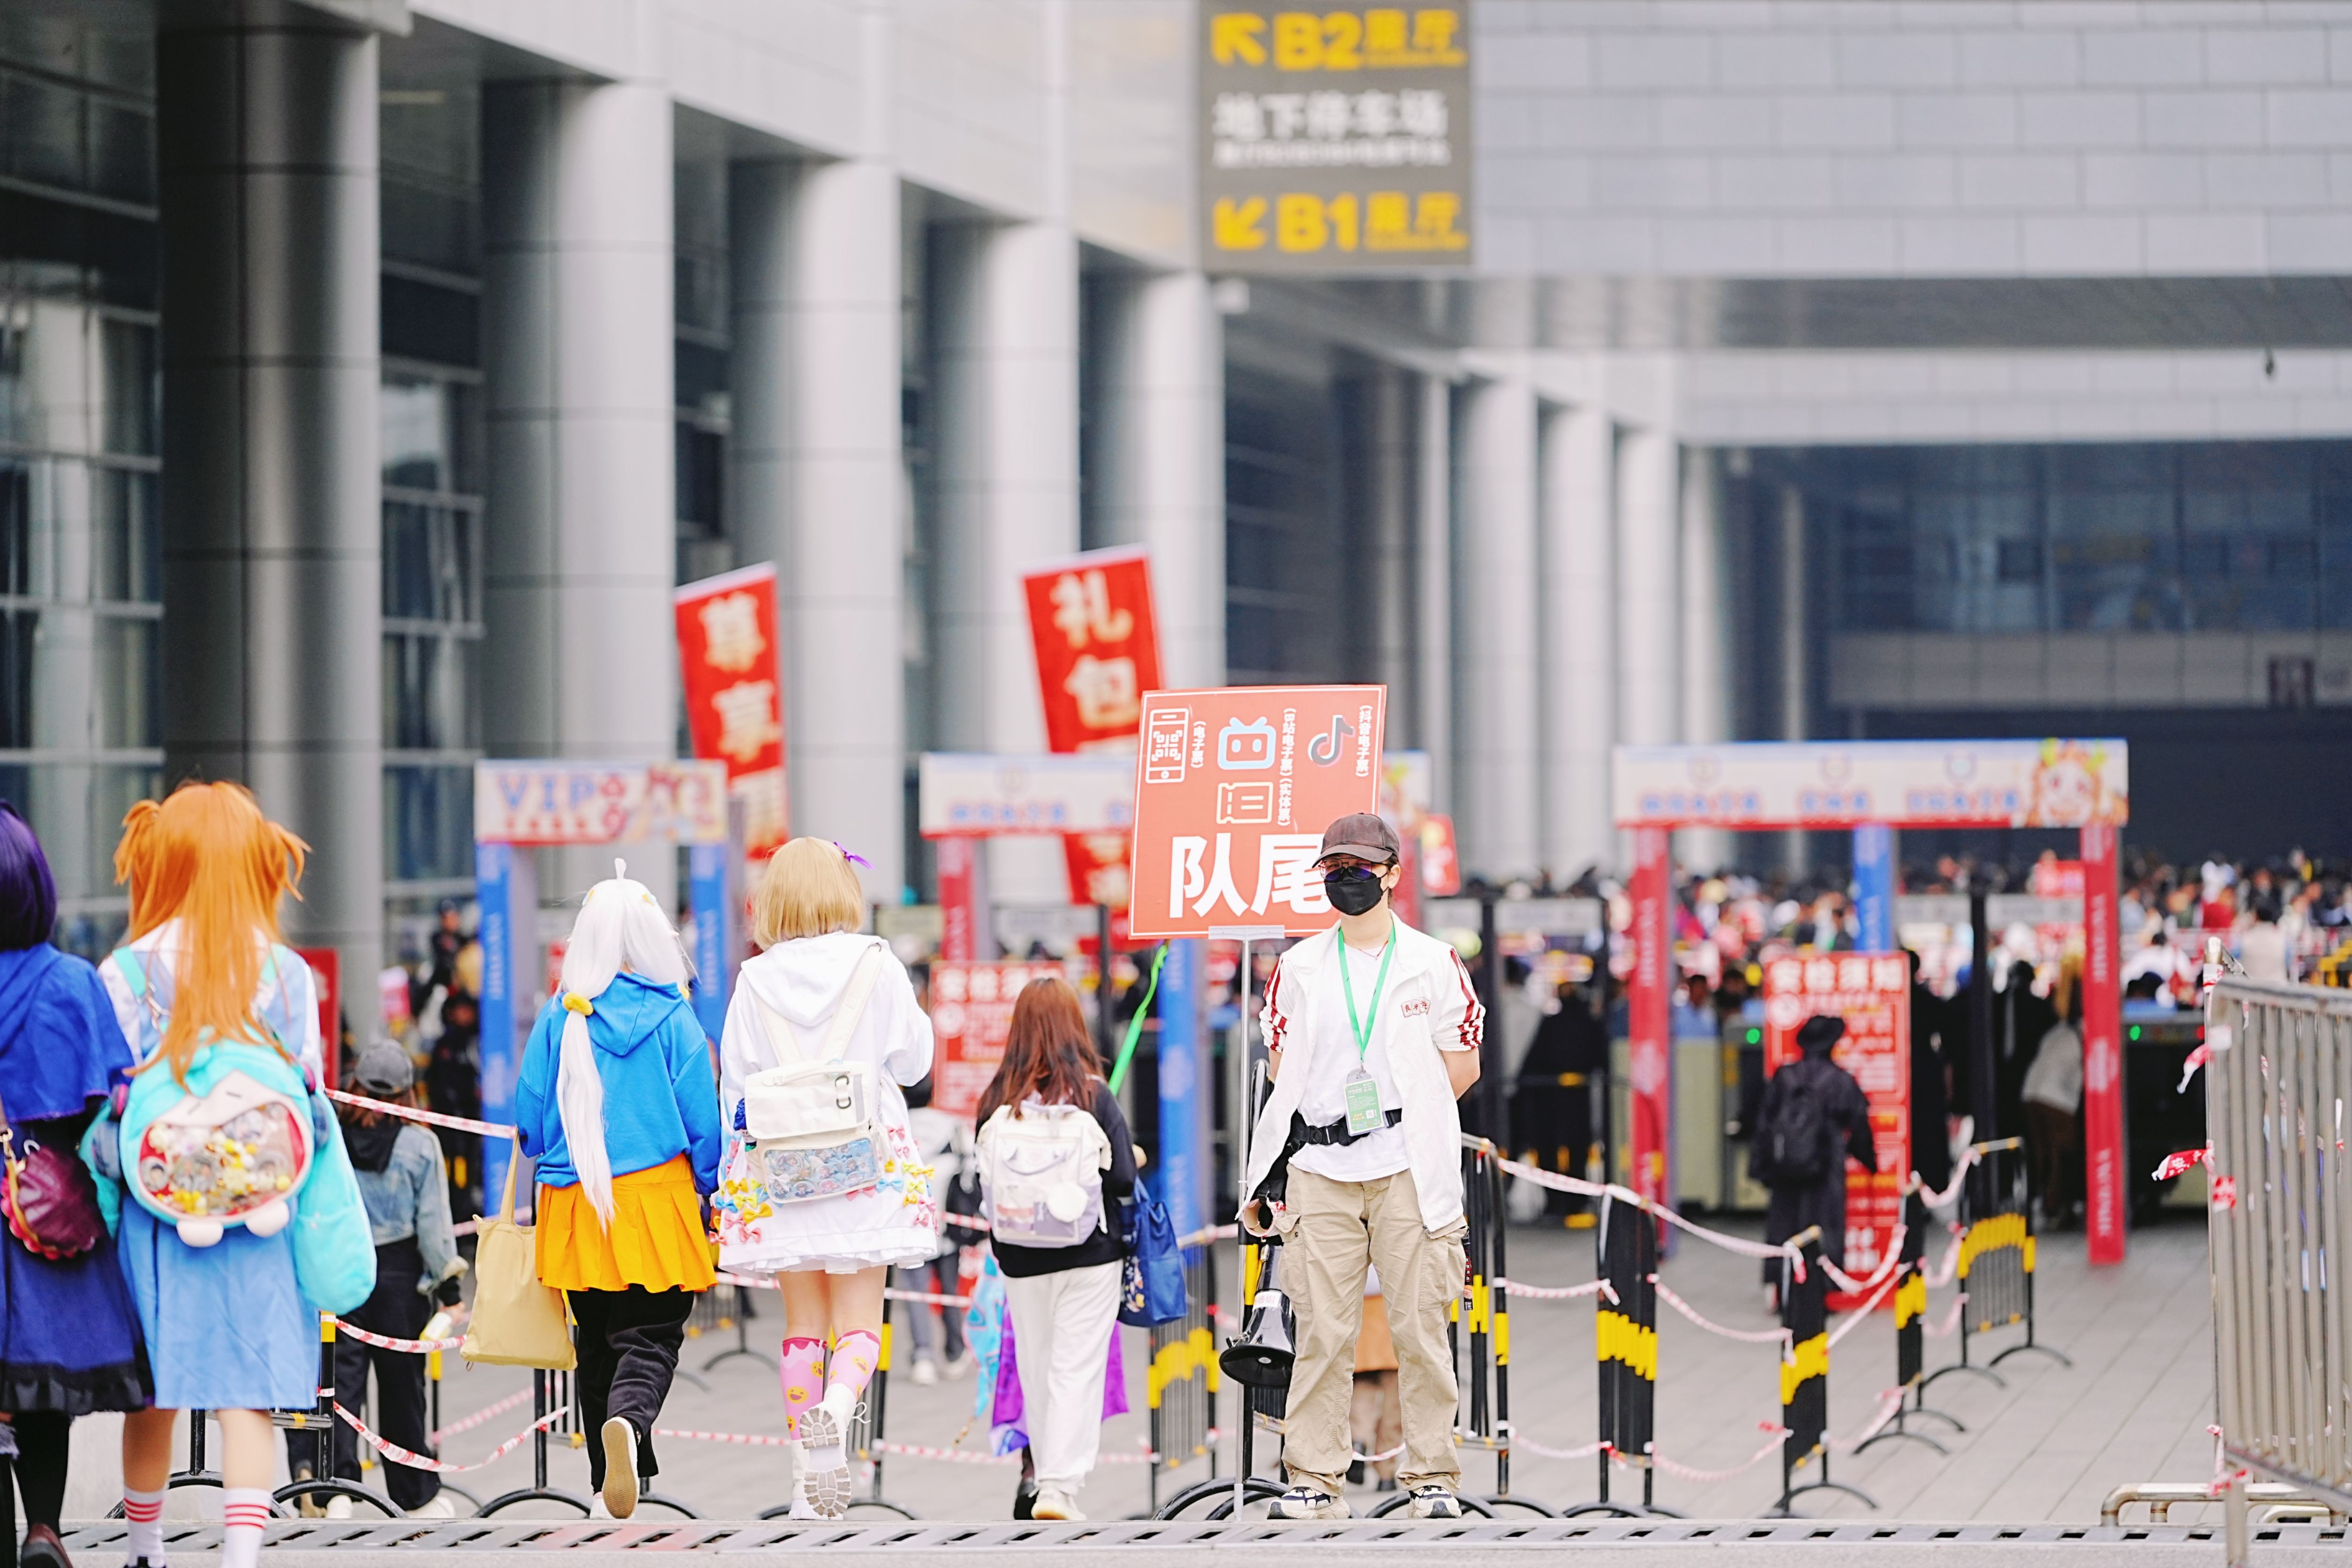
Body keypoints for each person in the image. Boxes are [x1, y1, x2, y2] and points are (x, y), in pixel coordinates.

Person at [85, 782, 375, 1568]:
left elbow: (106, 1099)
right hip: (260, 1209)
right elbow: (308, 1089)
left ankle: (146, 1549)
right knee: (250, 1392)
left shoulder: (125, 970)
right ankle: (240, 1554)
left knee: (155, 1392)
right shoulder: (284, 971)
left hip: (158, 1213)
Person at [1243, 813, 1485, 1522]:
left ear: (1392, 874)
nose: (1348, 880)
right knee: (1322, 1331)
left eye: (1361, 867)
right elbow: (1284, 1073)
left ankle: (1432, 1475)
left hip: (1409, 1165)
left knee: (1420, 1327)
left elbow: (1461, 1068)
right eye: (1335, 869)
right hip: (1320, 1165)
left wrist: (1399, 1114)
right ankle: (1314, 1478)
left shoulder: (1435, 964)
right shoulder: (1300, 967)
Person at [713, 838, 936, 1520]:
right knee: (860, 1324)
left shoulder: (754, 980)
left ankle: (804, 1484)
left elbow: (736, 1093)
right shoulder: (877, 963)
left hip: (783, 1173)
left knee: (802, 1328)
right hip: (865, 1169)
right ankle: (835, 1422)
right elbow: (914, 1061)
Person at [513, 860, 722, 1520]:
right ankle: (630, 1426)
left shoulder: (560, 1015)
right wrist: (714, 1189)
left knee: (597, 1336)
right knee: (652, 1334)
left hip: (574, 1203)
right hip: (653, 1201)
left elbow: (528, 1119)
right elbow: (704, 1123)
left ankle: (611, 1482)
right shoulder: (672, 1017)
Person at [0, 805, 148, 1568]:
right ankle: (44, 1525)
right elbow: (115, 1106)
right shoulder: (70, 982)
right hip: (42, 1211)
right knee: (40, 1386)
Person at [973, 978, 1136, 1522]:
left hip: (1020, 1257)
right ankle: (1060, 1488)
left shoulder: (998, 1099)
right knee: (1076, 1368)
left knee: (1038, 1367)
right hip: (1090, 1254)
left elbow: (984, 1184)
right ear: (1075, 1026)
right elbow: (1123, 1181)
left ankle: (1044, 1475)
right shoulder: (1092, 1093)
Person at [292, 1041, 465, 1517]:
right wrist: (449, 1293)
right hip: (399, 1274)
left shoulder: (329, 1131)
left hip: (339, 1265)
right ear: (408, 1091)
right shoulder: (420, 1143)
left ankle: (337, 1488)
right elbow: (434, 1225)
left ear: (355, 1085)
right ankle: (414, 1495)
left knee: (338, 1383)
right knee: (402, 1386)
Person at [1753, 1014, 1876, 1290]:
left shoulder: (1784, 1076)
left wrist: (1761, 1168)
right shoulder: (1840, 1080)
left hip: (1784, 1166)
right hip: (1827, 1164)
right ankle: (1819, 1289)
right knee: (1825, 1225)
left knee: (1784, 1224)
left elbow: (1764, 1123)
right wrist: (1870, 1162)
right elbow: (1859, 1126)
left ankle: (1784, 1284)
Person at [1511, 979, 1604, 1219]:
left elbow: (1532, 1062)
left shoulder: (1558, 1024)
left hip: (1557, 1100)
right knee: (1565, 1148)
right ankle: (1566, 1201)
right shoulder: (1584, 1024)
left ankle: (1567, 1200)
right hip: (1562, 1099)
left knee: (1568, 1149)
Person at [2021, 962, 2085, 1229]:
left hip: (2031, 1093)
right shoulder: (2084, 1035)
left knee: (2042, 1152)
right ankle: (2055, 1203)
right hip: (2057, 1098)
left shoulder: (2058, 1031)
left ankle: (2044, 1201)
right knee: (2063, 1153)